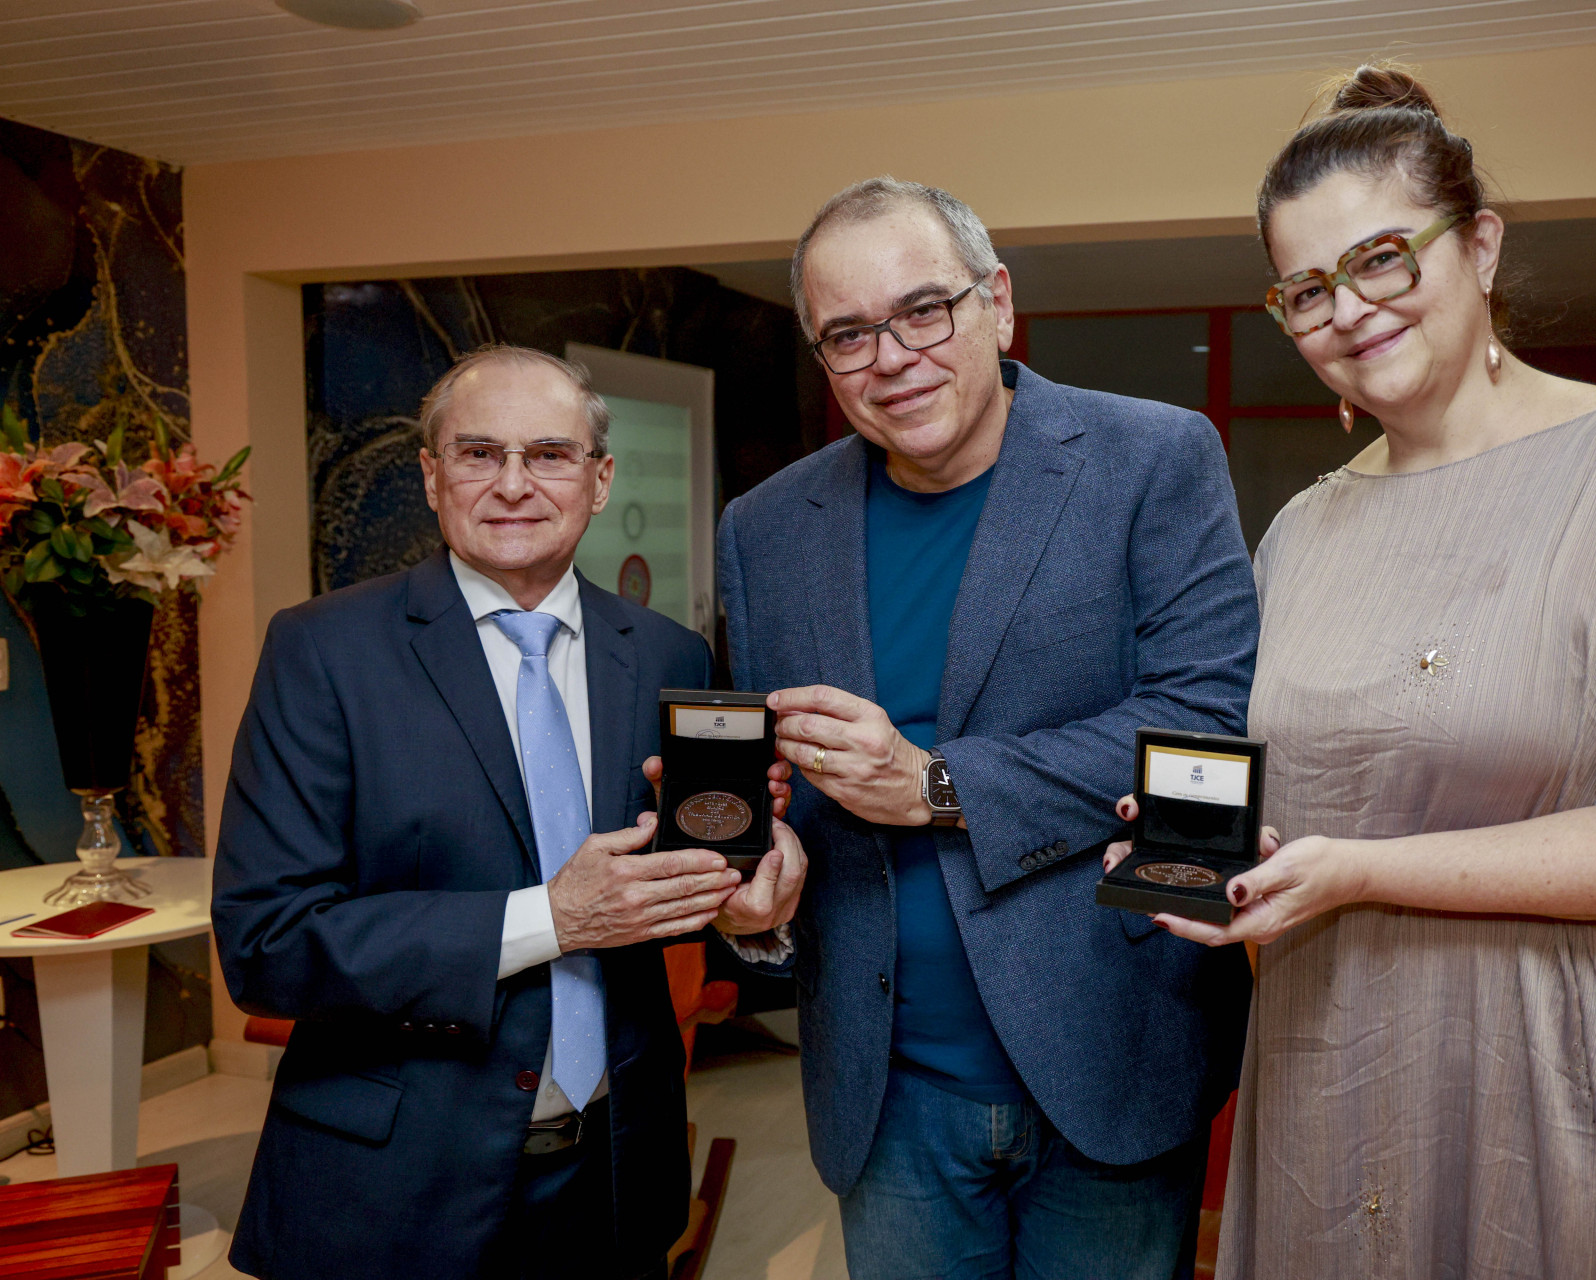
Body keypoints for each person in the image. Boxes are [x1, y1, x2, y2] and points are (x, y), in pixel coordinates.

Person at [1100, 66, 1596, 1277]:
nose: (1348, 308)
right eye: (1307, 289)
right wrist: (1226, 861)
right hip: (1327, 1091)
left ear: (1482, 247)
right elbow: (1318, 797)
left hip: (1554, 1111)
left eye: (1385, 257)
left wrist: (1360, 871)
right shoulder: (1299, 530)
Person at [715, 178, 1259, 1278]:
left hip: (1111, 1045)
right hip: (882, 1086)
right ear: (824, 358)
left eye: (926, 309)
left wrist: (939, 785)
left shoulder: (1153, 457)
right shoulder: (764, 529)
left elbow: (1209, 719)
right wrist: (749, 890)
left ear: (998, 305)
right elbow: (782, 793)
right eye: (849, 333)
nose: (893, 355)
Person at [212, 345, 807, 1280]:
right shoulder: (323, 652)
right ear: (431, 474)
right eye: (479, 453)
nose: (514, 485)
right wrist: (552, 919)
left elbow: (684, 886)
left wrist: (747, 910)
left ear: (601, 479)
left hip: (614, 1179)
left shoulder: (666, 654)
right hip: (396, 1189)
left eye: (550, 454)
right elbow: (266, 944)